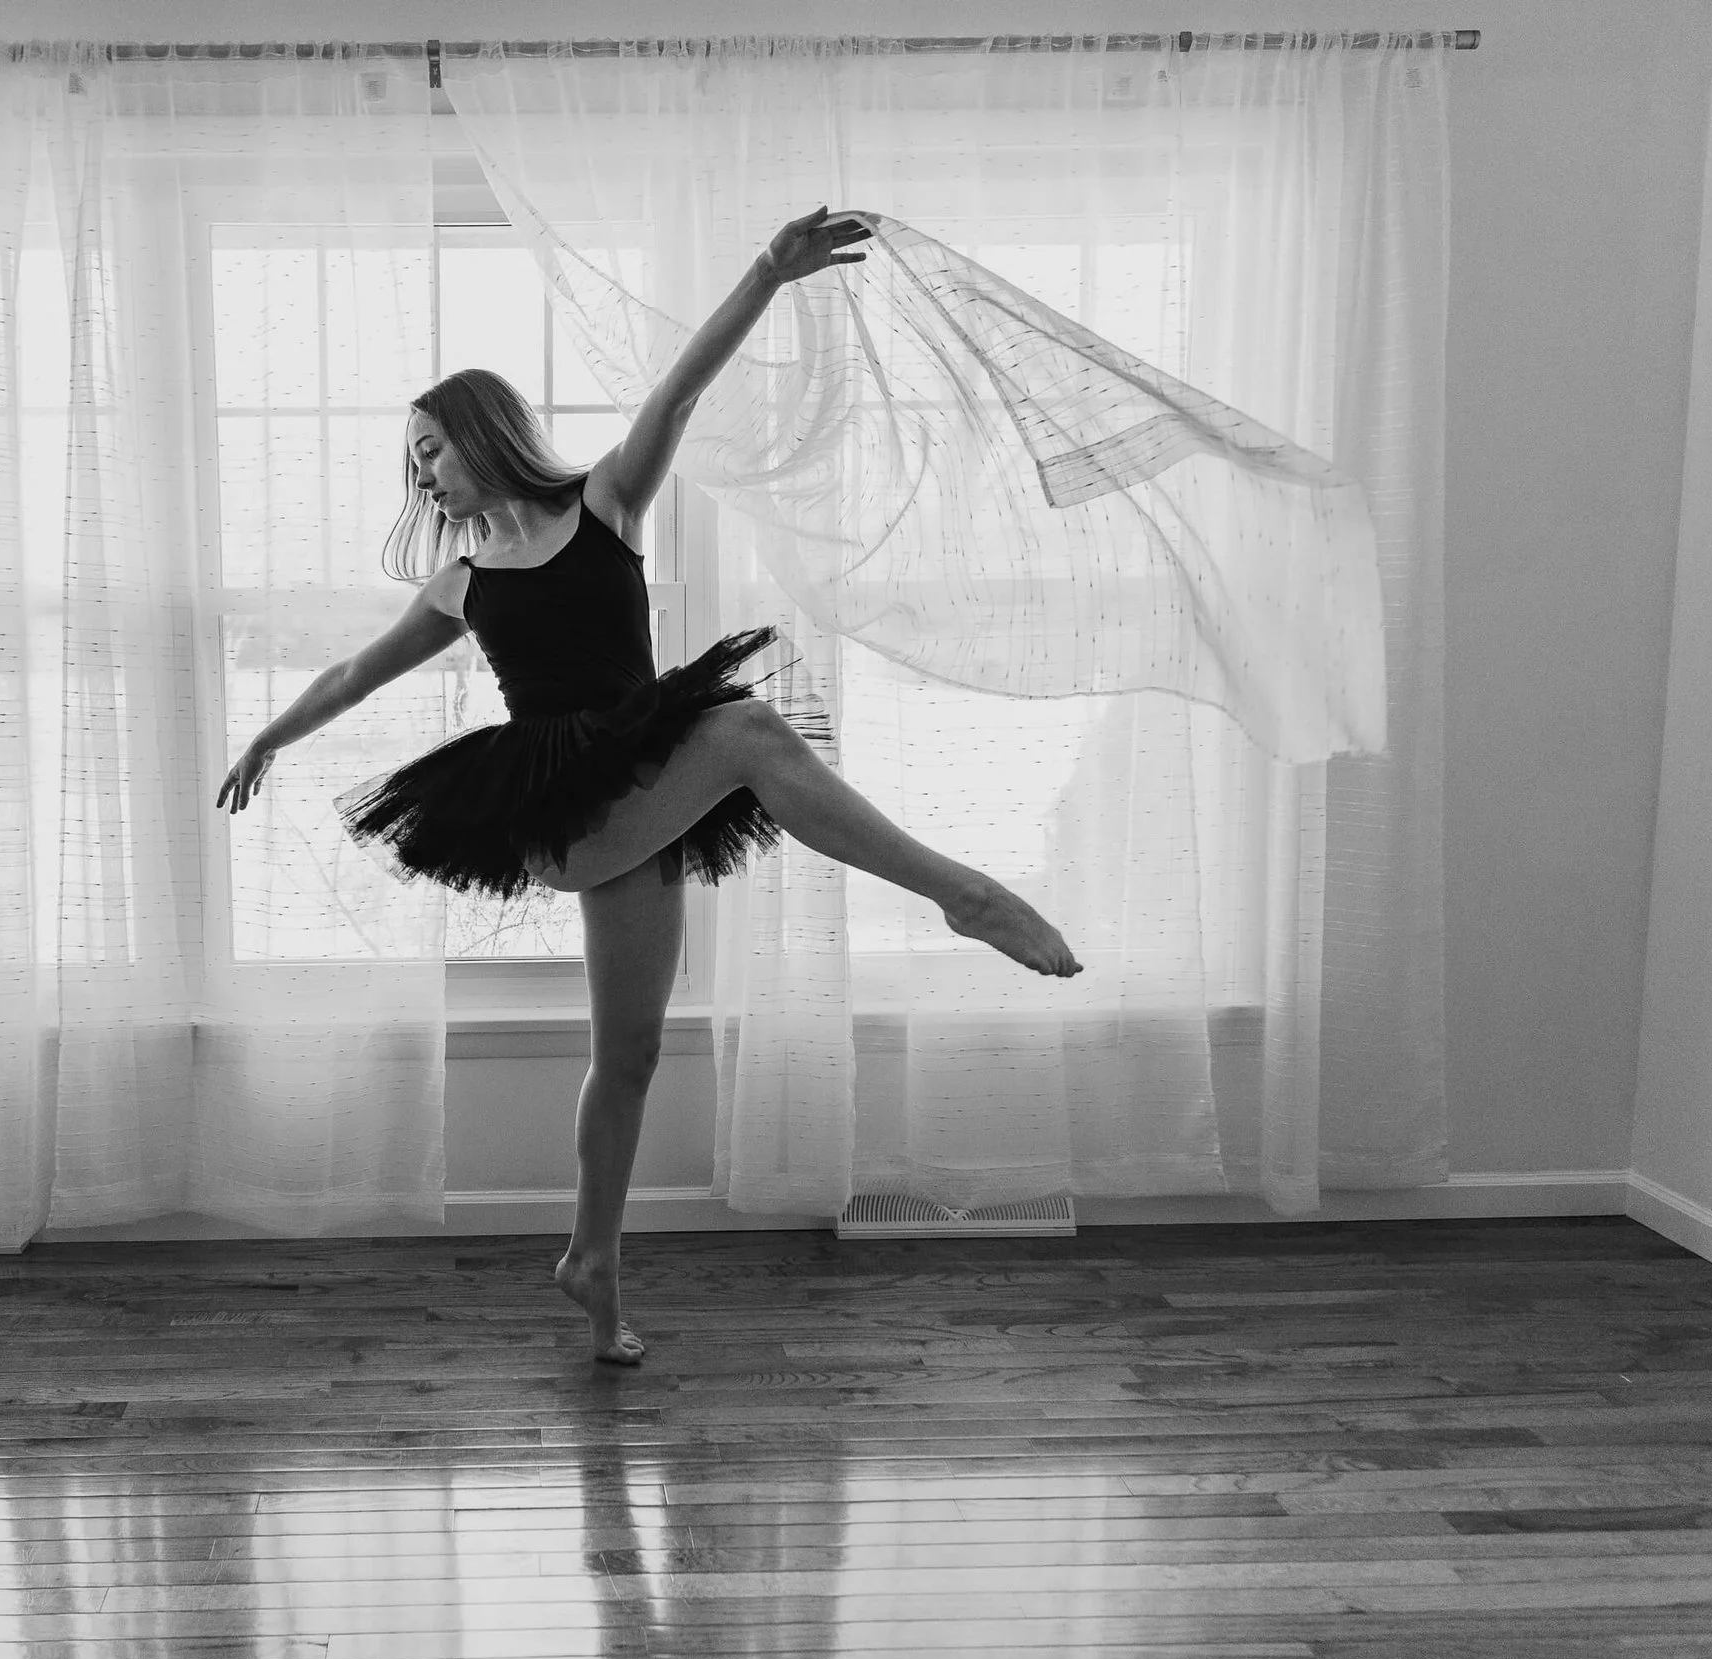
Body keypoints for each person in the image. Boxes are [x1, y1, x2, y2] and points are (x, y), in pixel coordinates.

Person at [218, 207, 1081, 1365]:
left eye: (428, 444)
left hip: (642, 789)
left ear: (482, 433)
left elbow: (678, 392)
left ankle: (593, 1264)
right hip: (564, 809)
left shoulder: (605, 503)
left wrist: (765, 274)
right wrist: (270, 735)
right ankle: (961, 892)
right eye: (410, 456)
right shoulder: (459, 579)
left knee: (627, 1053)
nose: (418, 469)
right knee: (748, 727)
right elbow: (351, 673)